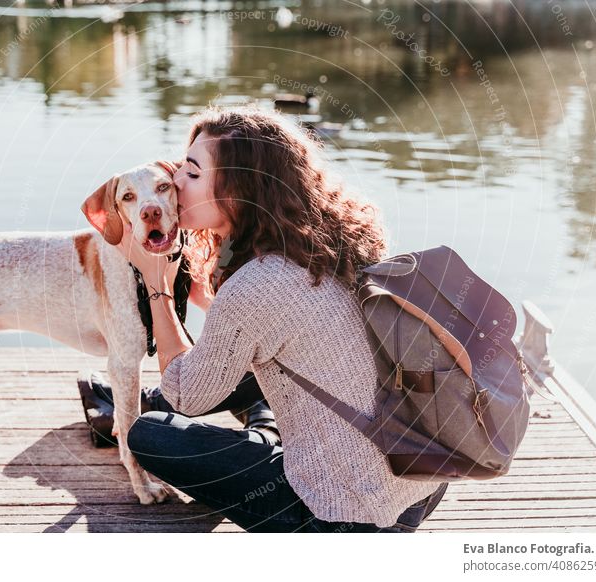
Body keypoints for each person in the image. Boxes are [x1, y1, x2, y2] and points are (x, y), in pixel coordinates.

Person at [83, 105, 447, 533]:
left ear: (238, 189)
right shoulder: (328, 243)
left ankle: (263, 436)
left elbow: (187, 397)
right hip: (421, 483)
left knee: (150, 433)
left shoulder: (257, 282)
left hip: (343, 515)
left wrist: (157, 285)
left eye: (193, 173)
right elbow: (237, 324)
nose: (176, 181)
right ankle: (266, 428)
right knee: (249, 364)